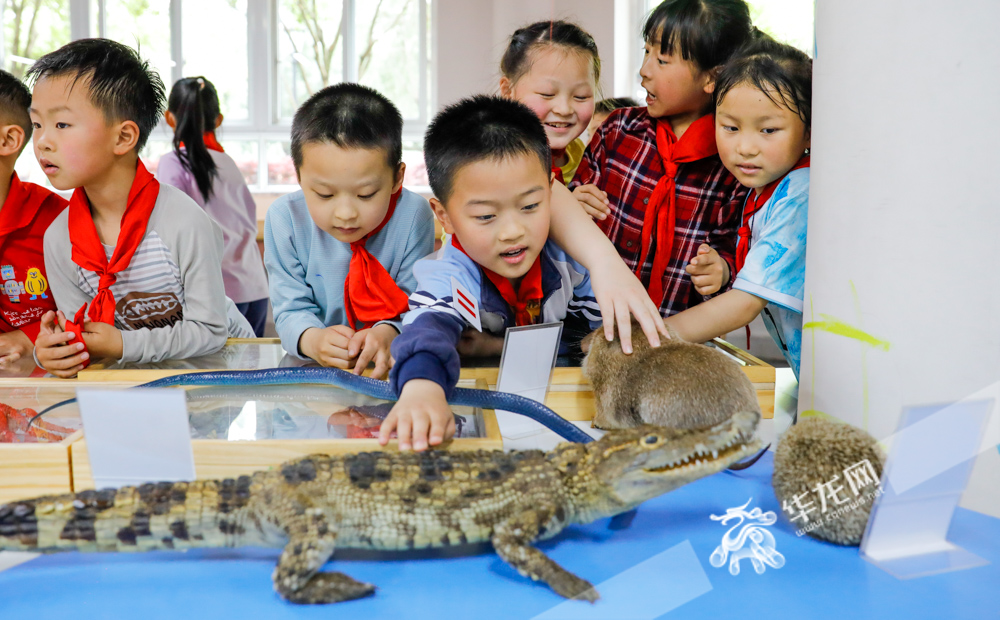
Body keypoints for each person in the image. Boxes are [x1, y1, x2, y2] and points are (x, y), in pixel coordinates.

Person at [383, 95, 603, 451]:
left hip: (562, 409)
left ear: (551, 191)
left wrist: (496, 347)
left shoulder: (573, 259)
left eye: (530, 206)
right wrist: (422, 386)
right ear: (445, 217)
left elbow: (603, 337)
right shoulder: (450, 271)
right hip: (480, 410)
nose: (513, 231)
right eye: (486, 216)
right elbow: (427, 330)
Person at [29, 39, 253, 378]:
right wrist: (55, 351)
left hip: (219, 378)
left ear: (123, 138)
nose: (43, 140)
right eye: (37, 124)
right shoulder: (60, 239)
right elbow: (85, 341)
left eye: (61, 124)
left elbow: (210, 330)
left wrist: (122, 344)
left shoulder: (182, 222)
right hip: (140, 383)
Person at [571, 0, 754, 317]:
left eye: (662, 60)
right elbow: (570, 205)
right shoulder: (617, 130)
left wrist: (721, 269)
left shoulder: (733, 163)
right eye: (646, 52)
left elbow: (733, 247)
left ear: (712, 78)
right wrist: (575, 201)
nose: (644, 70)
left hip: (673, 336)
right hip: (585, 321)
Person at [264, 83, 434, 379]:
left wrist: (388, 331)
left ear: (397, 178)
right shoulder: (285, 219)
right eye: (324, 195)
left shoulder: (413, 215)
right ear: (299, 176)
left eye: (366, 194)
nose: (345, 213)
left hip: (391, 371)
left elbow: (418, 302)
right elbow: (289, 309)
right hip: (312, 380)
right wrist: (312, 339)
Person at [666, 37, 812, 377]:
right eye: (730, 127)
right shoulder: (762, 188)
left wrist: (648, 338)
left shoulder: (800, 195)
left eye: (768, 130)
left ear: (808, 133)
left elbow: (744, 305)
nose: (745, 147)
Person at [158, 76, 270, 336]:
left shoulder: (172, 163)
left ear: (169, 118)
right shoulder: (227, 163)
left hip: (216, 297)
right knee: (252, 372)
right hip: (254, 288)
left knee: (215, 375)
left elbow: (169, 233)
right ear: (217, 121)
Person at [0, 69, 67, 368]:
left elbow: (101, 312)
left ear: (8, 140)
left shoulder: (60, 222)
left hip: (47, 395)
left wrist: (29, 337)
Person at [499, 20, 599, 185]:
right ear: (508, 92)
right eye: (547, 94)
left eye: (581, 96)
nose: (564, 109)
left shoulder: (582, 153)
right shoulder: (494, 160)